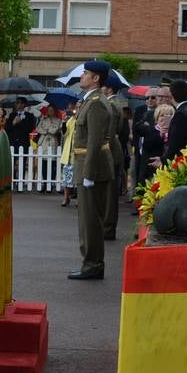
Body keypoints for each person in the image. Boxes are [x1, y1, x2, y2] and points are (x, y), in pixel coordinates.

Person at [68, 60, 116, 281]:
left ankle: (93, 264)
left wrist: (87, 174)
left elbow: (95, 141)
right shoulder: (91, 101)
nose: (82, 76)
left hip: (92, 168)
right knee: (87, 219)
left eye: (86, 73)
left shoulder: (96, 103)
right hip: (89, 166)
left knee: (90, 220)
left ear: (96, 78)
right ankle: (91, 263)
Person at [161, 79, 187, 164]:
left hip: (179, 161)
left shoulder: (180, 114)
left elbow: (175, 144)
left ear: (171, 94)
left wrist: (163, 160)